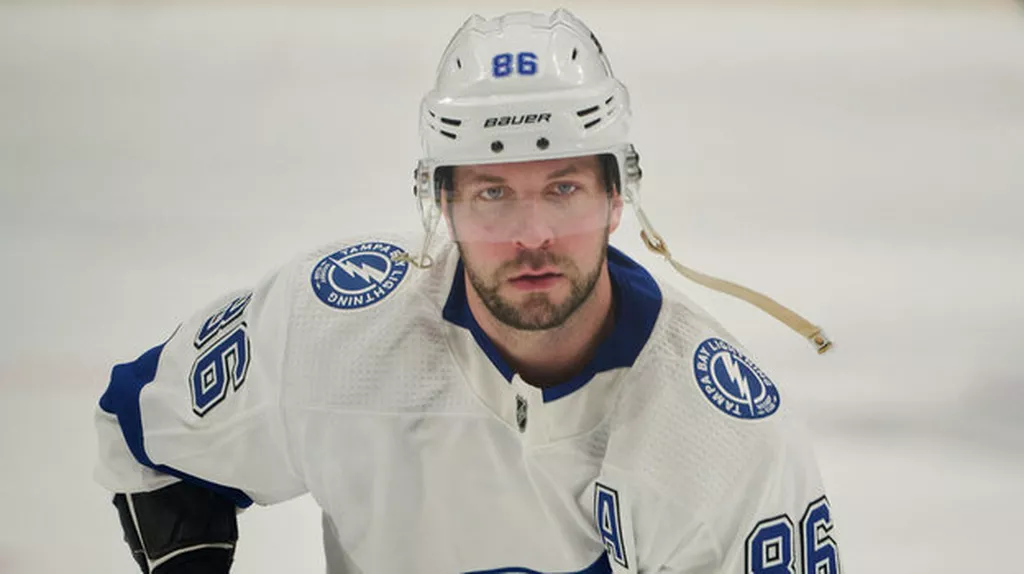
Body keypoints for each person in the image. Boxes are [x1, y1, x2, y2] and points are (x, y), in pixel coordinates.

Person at [95, 9, 839, 573]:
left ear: (619, 198)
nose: (532, 235)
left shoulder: (721, 442)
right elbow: (149, 434)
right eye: (492, 193)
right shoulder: (330, 332)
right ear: (441, 204)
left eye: (564, 188)